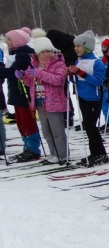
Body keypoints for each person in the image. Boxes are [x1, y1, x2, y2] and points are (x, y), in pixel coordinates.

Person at [23, 29, 69, 164]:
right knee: (46, 130)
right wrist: (24, 76)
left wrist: (39, 73)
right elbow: (29, 82)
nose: (46, 54)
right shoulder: (34, 65)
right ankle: (53, 152)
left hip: (54, 101)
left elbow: (59, 80)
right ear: (37, 54)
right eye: (42, 52)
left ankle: (62, 154)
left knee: (57, 130)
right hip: (39, 100)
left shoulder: (58, 63)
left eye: (48, 51)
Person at [68, 30, 108, 166]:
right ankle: (94, 153)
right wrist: (71, 75)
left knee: (90, 126)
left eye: (78, 46)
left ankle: (101, 153)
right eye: (75, 46)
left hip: (94, 98)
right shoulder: (79, 61)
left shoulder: (97, 63)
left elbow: (98, 81)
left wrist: (80, 73)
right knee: (88, 126)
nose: (75, 49)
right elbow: (76, 81)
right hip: (82, 97)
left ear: (86, 46)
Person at [1, 27, 41, 162]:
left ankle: (33, 149)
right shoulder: (14, 53)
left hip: (24, 92)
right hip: (16, 91)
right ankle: (27, 146)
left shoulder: (23, 54)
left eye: (9, 39)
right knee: (20, 122)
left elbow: (13, 72)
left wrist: (3, 70)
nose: (6, 41)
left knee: (27, 121)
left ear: (17, 41)